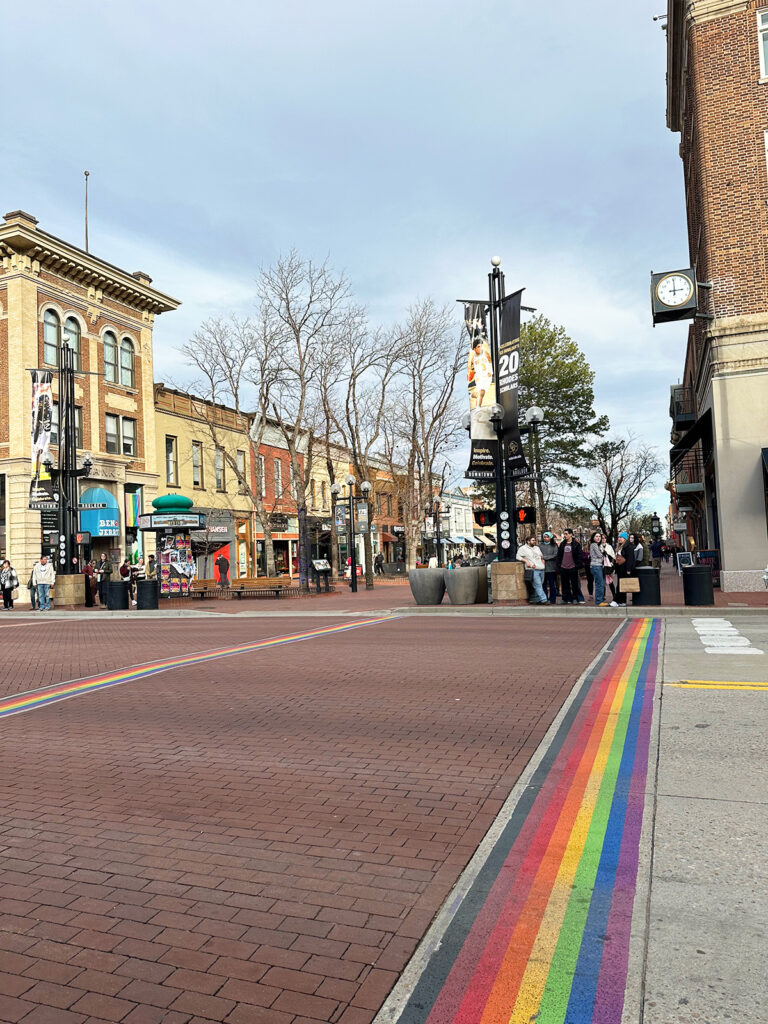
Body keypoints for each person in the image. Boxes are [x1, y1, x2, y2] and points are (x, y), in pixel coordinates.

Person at [517, 535, 547, 604]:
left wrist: (543, 562)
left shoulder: (537, 548)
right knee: (538, 585)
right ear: (528, 541)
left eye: (534, 540)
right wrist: (526, 561)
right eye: (533, 540)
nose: (534, 541)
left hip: (541, 568)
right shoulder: (523, 548)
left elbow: (541, 556)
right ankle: (544, 600)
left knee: (539, 585)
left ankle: (537, 600)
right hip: (533, 569)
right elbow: (517, 556)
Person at [557, 529, 583, 604]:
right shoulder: (562, 544)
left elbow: (579, 556)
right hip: (563, 567)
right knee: (564, 584)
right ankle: (565, 599)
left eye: (566, 534)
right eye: (564, 534)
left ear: (571, 534)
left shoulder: (576, 544)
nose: (565, 535)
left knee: (574, 584)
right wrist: (559, 565)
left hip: (573, 567)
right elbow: (559, 555)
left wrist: (576, 565)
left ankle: (575, 598)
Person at [614, 531, 636, 606]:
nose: (619, 539)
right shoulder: (620, 546)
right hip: (620, 568)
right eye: (619, 537)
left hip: (624, 568)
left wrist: (628, 569)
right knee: (621, 584)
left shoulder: (628, 546)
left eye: (621, 537)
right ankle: (622, 601)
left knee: (620, 585)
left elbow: (630, 559)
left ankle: (616, 600)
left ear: (625, 538)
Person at [587, 532, 608, 606]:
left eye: (599, 536)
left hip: (599, 566)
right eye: (596, 536)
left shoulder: (598, 545)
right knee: (599, 584)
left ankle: (600, 600)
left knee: (601, 583)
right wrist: (604, 553)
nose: (598, 538)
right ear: (593, 537)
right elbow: (599, 555)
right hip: (596, 566)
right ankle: (599, 601)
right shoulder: (594, 545)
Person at [539, 532, 559, 604]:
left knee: (552, 584)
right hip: (542, 567)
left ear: (550, 538)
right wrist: (542, 558)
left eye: (547, 537)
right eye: (544, 537)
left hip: (552, 568)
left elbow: (555, 555)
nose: (546, 538)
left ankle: (552, 599)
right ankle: (544, 598)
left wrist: (545, 557)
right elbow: (538, 554)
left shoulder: (554, 545)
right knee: (543, 584)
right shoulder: (540, 545)